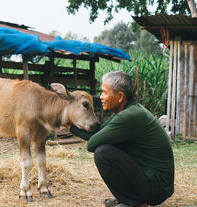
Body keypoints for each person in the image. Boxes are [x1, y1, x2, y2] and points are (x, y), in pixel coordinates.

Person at [70, 71, 174, 207]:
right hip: (154, 181)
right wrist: (70, 126)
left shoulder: (128, 116)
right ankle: (127, 198)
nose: (101, 97)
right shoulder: (126, 110)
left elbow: (92, 145)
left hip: (155, 188)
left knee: (102, 152)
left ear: (119, 96)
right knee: (106, 146)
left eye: (104, 92)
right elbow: (99, 134)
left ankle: (133, 202)